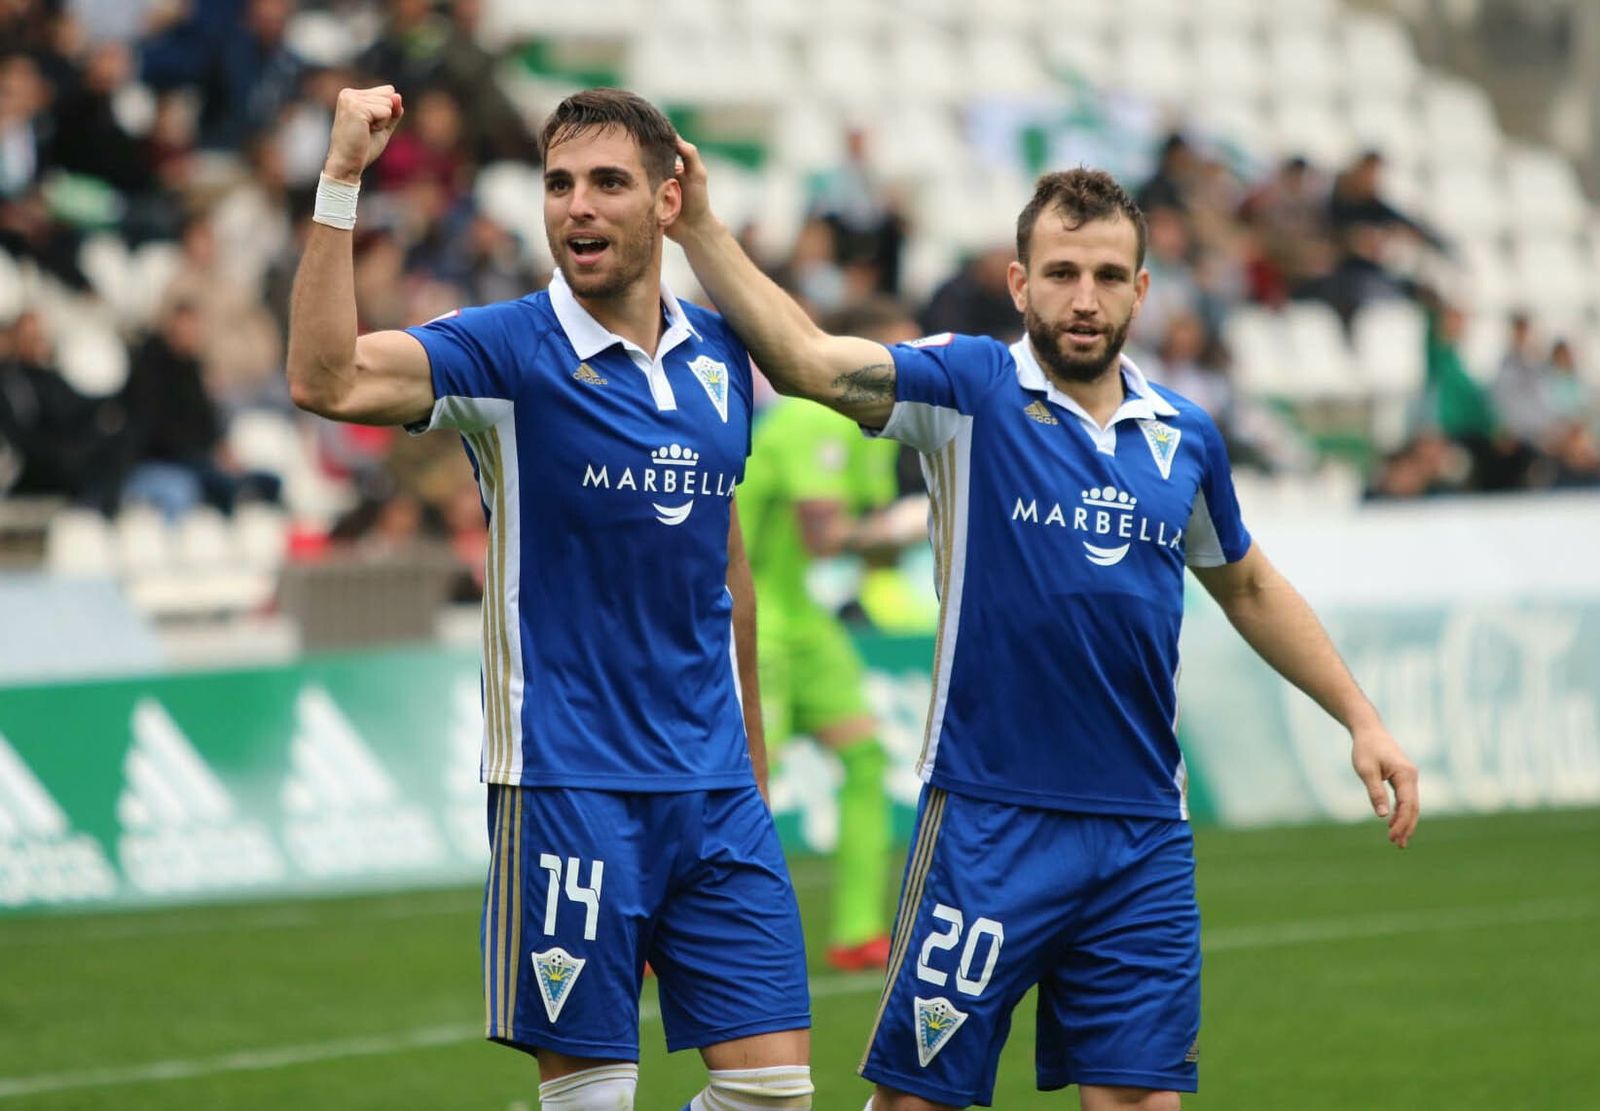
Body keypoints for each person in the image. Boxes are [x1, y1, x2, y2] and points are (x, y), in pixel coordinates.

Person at [668, 151, 1420, 1110]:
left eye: (1109, 275)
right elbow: (809, 359)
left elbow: (1252, 586)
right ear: (1020, 282)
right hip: (990, 819)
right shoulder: (969, 392)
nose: (1085, 297)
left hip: (1142, 831)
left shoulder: (1181, 434)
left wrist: (1361, 716)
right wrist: (699, 229)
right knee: (918, 1100)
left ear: (1141, 290)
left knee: (1141, 1100)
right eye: (1062, 272)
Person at [286, 85, 813, 1110]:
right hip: (569, 784)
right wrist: (342, 181)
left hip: (713, 789)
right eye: (559, 183)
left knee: (777, 1093)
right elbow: (328, 380)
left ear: (667, 202)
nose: (577, 205)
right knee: (593, 1101)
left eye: (608, 182)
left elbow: (726, 568)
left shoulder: (720, 358)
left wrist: (750, 759)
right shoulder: (507, 352)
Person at [738, 298, 927, 973]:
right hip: (746, 617)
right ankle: (661, 927)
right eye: (896, 357)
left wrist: (913, 530)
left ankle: (856, 930)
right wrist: (905, 527)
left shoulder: (870, 428)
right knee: (744, 782)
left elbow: (865, 550)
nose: (908, 373)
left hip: (801, 618)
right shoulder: (811, 418)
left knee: (866, 756)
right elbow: (825, 537)